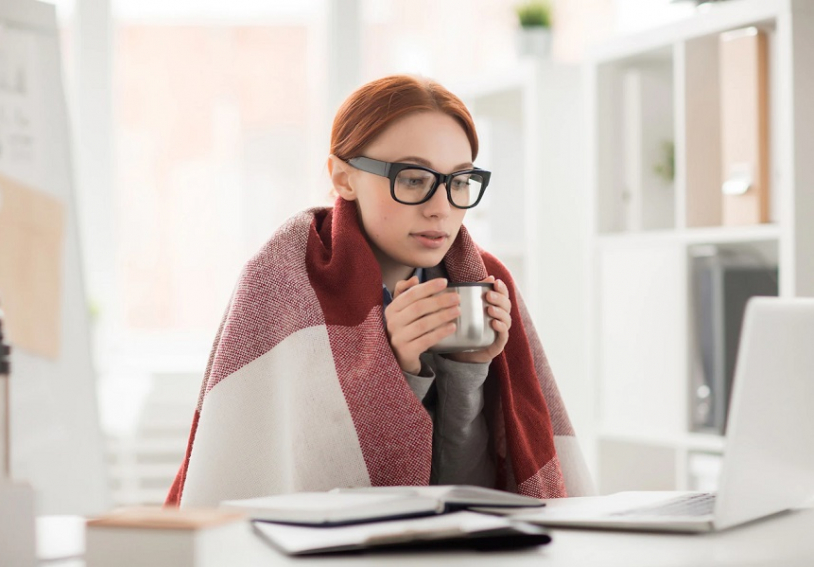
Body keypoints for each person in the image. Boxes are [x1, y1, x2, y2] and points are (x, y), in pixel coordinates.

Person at [166, 74, 593, 507]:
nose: (441, 208)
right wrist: (396, 372)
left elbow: (470, 494)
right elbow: (309, 491)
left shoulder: (485, 281)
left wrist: (467, 369)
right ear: (343, 177)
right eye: (412, 179)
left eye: (460, 182)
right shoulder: (283, 282)